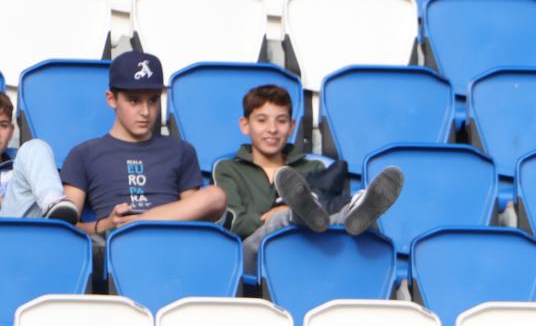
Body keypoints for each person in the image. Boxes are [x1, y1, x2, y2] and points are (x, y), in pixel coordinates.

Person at [213, 84, 404, 275]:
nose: (272, 129)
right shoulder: (228, 167)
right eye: (262, 120)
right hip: (253, 260)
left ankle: (357, 206)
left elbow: (325, 218)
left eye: (281, 121)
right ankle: (298, 214)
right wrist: (283, 213)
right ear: (245, 125)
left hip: (309, 252)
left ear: (292, 127)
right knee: (283, 218)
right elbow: (235, 222)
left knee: (341, 219)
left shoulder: (314, 166)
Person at [59, 51, 227, 237]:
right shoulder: (84, 153)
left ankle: (136, 224)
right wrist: (106, 224)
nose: (145, 111)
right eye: (134, 101)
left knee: (215, 195)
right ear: (111, 99)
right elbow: (66, 228)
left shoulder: (181, 150)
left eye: (153, 100)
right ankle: (132, 228)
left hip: (172, 240)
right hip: (115, 247)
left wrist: (140, 221)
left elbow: (195, 217)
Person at [0, 92, 77, 222]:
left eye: (3, 126)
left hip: (19, 232)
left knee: (35, 146)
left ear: (11, 131)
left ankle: (53, 203)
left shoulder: (24, 160)